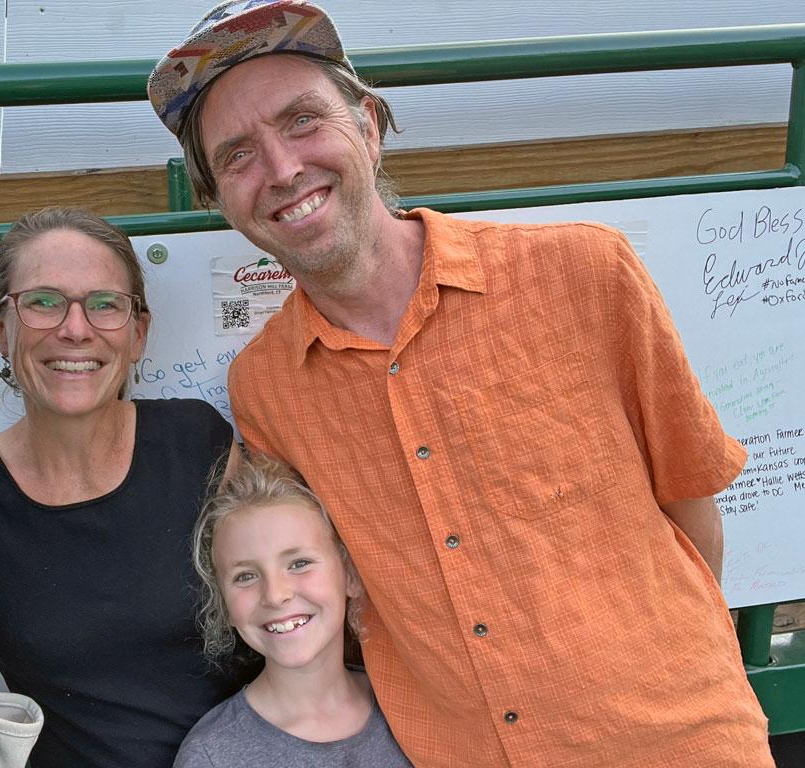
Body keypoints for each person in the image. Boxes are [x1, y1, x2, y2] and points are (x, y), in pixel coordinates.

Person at [148, 1, 775, 766]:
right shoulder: (268, 387)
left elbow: (692, 504)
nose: (282, 170)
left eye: (303, 121)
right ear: (218, 201)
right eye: (238, 155)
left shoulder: (585, 273)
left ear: (370, 126)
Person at [0, 207, 250, 768]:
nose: (75, 329)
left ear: (137, 333)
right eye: (43, 302)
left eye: (104, 305)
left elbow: (292, 612)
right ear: (0, 330)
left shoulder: (198, 441)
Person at [175, 453, 411, 768]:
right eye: (245, 576)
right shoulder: (212, 756)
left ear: (350, 575)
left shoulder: (409, 708)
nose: (275, 595)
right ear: (224, 604)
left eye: (299, 563)